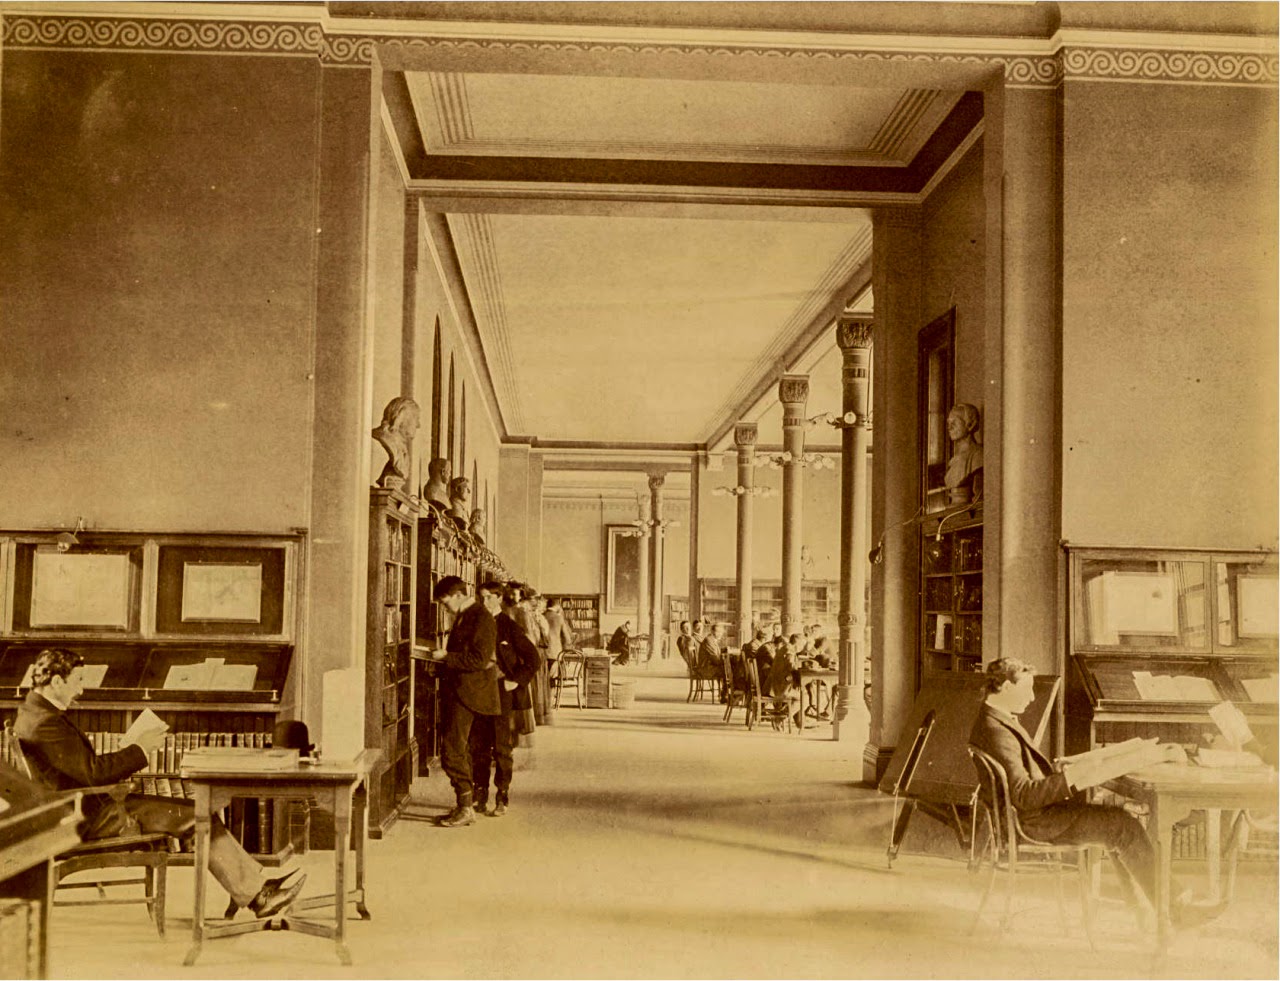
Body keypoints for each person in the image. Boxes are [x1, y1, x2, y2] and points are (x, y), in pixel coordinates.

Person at [14, 648, 306, 917]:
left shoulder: (34, 712)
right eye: (76, 680)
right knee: (197, 815)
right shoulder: (46, 722)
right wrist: (140, 748)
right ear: (55, 682)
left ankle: (251, 886)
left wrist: (130, 748)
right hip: (92, 815)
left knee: (195, 812)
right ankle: (258, 897)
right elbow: (94, 773)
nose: (81, 688)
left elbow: (79, 768)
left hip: (85, 806)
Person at [969, 658, 1214, 929]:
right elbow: (1024, 794)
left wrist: (1070, 767)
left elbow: (1023, 781)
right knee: (1124, 826)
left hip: (1032, 817)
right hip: (1034, 823)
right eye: (1026, 688)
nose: (1031, 697)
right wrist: (1073, 778)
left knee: (1118, 822)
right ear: (1004, 686)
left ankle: (1148, 909)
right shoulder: (996, 730)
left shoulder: (994, 719)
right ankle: (1172, 911)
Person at [431, 575, 500, 828]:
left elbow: (479, 660)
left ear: (459, 595)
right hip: (461, 691)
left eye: (445, 601)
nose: (443, 606)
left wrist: (446, 657)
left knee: (452, 751)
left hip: (471, 694)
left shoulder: (480, 617)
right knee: (456, 750)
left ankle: (465, 808)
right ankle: (465, 804)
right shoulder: (465, 615)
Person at [469, 582, 539, 817]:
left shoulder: (509, 626)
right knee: (478, 747)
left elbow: (533, 659)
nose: (484, 602)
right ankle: (479, 796)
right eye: (481, 598)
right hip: (478, 691)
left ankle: (502, 796)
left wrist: (516, 681)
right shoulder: (475, 624)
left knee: (501, 747)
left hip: (501, 693)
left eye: (489, 597)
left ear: (499, 599)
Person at [371, 396, 420, 490]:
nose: (418, 425)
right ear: (401, 417)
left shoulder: (401, 448)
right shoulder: (381, 441)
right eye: (416, 418)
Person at [944, 402, 984, 503]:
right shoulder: (953, 461)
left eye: (955, 423)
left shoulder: (978, 456)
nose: (950, 427)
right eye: (948, 423)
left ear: (970, 424)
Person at [698, 622, 727, 702]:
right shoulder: (709, 640)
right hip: (706, 668)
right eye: (718, 632)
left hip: (709, 666)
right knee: (728, 671)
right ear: (712, 631)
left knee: (727, 669)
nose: (720, 634)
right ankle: (725, 695)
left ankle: (725, 694)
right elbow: (716, 660)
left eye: (721, 632)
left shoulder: (712, 640)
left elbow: (716, 654)